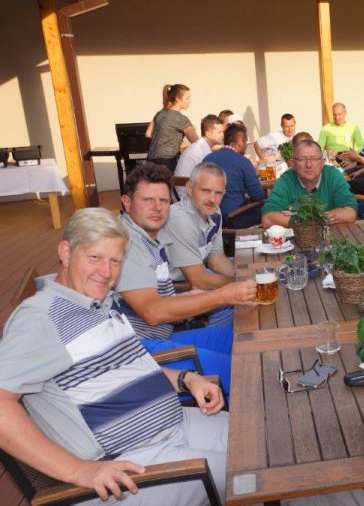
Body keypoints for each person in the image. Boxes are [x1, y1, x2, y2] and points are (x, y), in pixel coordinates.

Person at [0, 207, 228, 505]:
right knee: (255, 476)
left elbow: (128, 371)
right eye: (95, 257)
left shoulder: (93, 301)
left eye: (115, 261)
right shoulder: (41, 319)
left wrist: (188, 379)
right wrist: (78, 471)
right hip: (133, 463)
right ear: (66, 252)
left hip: (176, 424)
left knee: (264, 444)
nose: (106, 272)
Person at [116, 163, 259, 395]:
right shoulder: (127, 243)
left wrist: (192, 295)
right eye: (147, 200)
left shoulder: (147, 237)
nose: (157, 208)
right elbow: (153, 312)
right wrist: (223, 295)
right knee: (248, 370)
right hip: (139, 352)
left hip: (164, 335)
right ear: (127, 202)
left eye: (163, 201)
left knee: (249, 340)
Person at [161, 162, 235, 326]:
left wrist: (240, 275)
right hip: (170, 288)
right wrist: (240, 284)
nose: (212, 199)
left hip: (196, 275)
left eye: (218, 193)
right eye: (205, 191)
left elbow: (216, 259)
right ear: (189, 188)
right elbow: (198, 281)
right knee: (235, 306)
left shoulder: (214, 212)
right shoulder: (180, 219)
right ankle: (212, 337)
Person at [261, 140, 357, 228]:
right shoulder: (287, 179)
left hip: (332, 236)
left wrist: (300, 219)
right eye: (302, 159)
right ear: (293, 163)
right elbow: (267, 218)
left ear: (322, 162)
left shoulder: (333, 175)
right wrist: (319, 219)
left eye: (314, 159)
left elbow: (350, 213)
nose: (309, 165)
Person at [203, 123, 265, 228]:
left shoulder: (207, 158)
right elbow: (258, 195)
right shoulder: (243, 162)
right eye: (246, 141)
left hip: (208, 218)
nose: (246, 145)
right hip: (233, 218)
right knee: (271, 209)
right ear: (240, 142)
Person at [146, 83, 199, 172]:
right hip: (167, 161)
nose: (189, 101)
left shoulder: (160, 113)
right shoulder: (181, 119)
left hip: (151, 158)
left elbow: (148, 134)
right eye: (187, 98)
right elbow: (197, 142)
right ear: (177, 98)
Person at [174, 114, 225, 198]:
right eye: (220, 132)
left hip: (184, 193)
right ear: (208, 134)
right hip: (188, 197)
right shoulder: (203, 151)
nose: (222, 135)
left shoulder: (200, 145)